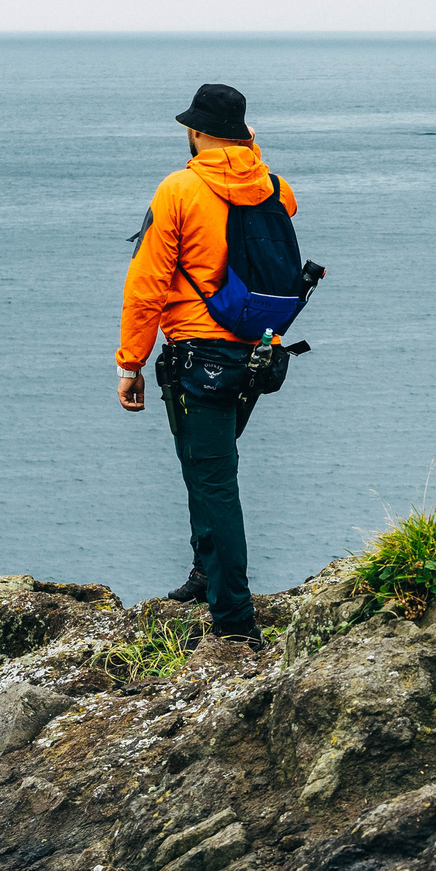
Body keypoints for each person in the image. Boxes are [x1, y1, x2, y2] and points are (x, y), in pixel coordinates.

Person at [115, 83, 293, 647]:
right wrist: (250, 149)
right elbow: (287, 205)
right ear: (242, 134)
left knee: (214, 482)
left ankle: (236, 624)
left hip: (200, 357)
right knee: (203, 469)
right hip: (256, 353)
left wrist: (130, 362)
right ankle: (203, 572)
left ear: (195, 132)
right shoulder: (270, 183)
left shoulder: (179, 189)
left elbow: (146, 286)